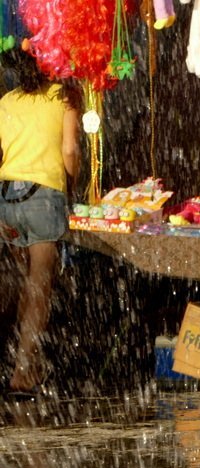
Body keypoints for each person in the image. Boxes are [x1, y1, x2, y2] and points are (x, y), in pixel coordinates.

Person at [0, 45, 81, 397]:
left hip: (7, 201)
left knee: (22, 285)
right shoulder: (64, 98)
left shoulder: (7, 101)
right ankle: (22, 371)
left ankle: (28, 362)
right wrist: (73, 185)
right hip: (44, 198)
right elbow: (70, 151)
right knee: (39, 289)